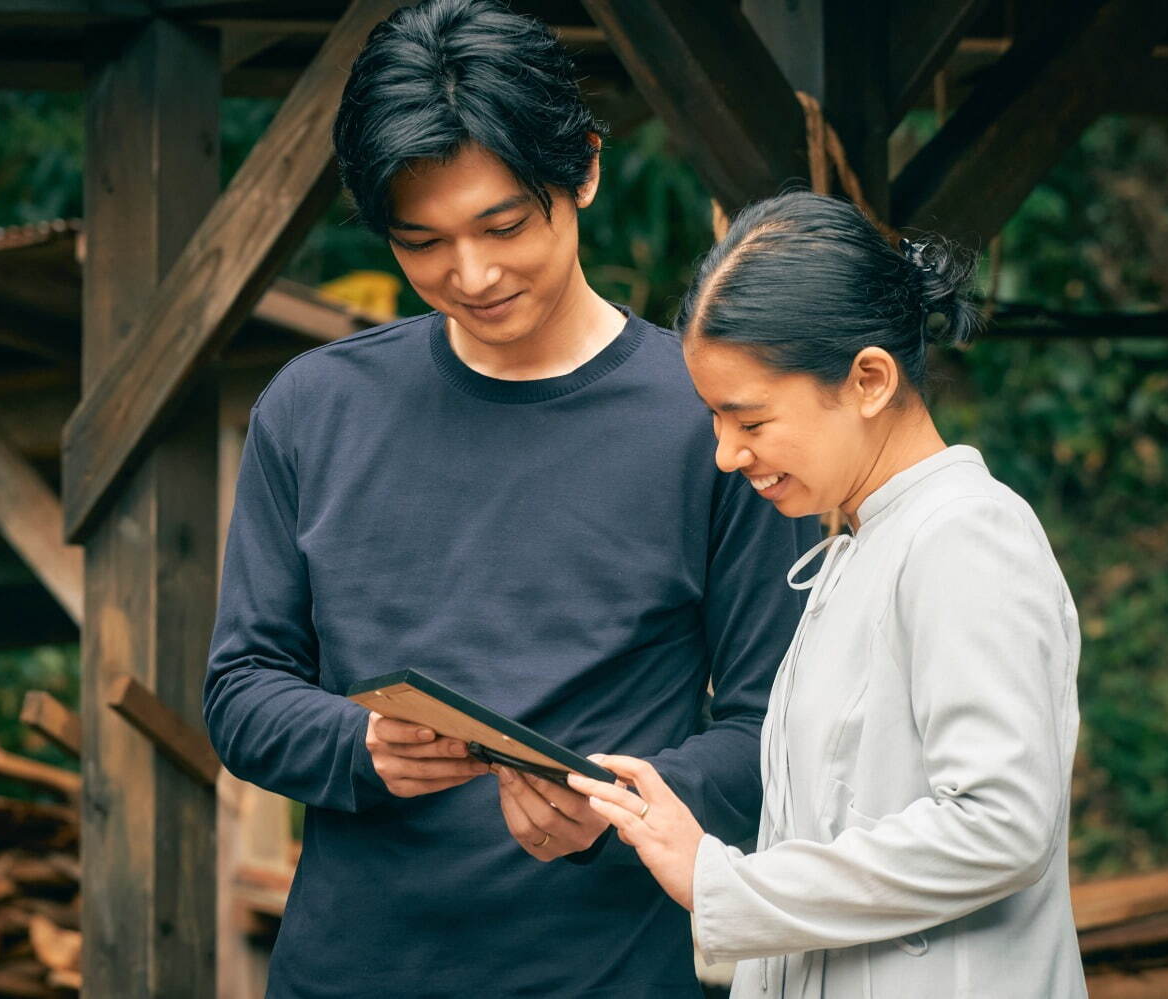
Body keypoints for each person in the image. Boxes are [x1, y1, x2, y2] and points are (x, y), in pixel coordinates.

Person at [201, 2, 815, 996]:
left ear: (582, 171)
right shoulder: (314, 412)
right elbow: (240, 689)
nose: (471, 274)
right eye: (423, 241)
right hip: (351, 972)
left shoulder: (711, 421)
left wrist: (625, 802)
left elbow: (772, 732)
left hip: (613, 972)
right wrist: (358, 746)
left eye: (502, 225)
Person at [568, 191, 1088, 998]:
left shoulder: (964, 534)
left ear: (869, 379)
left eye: (749, 419)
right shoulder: (855, 542)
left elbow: (1000, 822)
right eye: (713, 419)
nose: (725, 455)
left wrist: (725, 885)